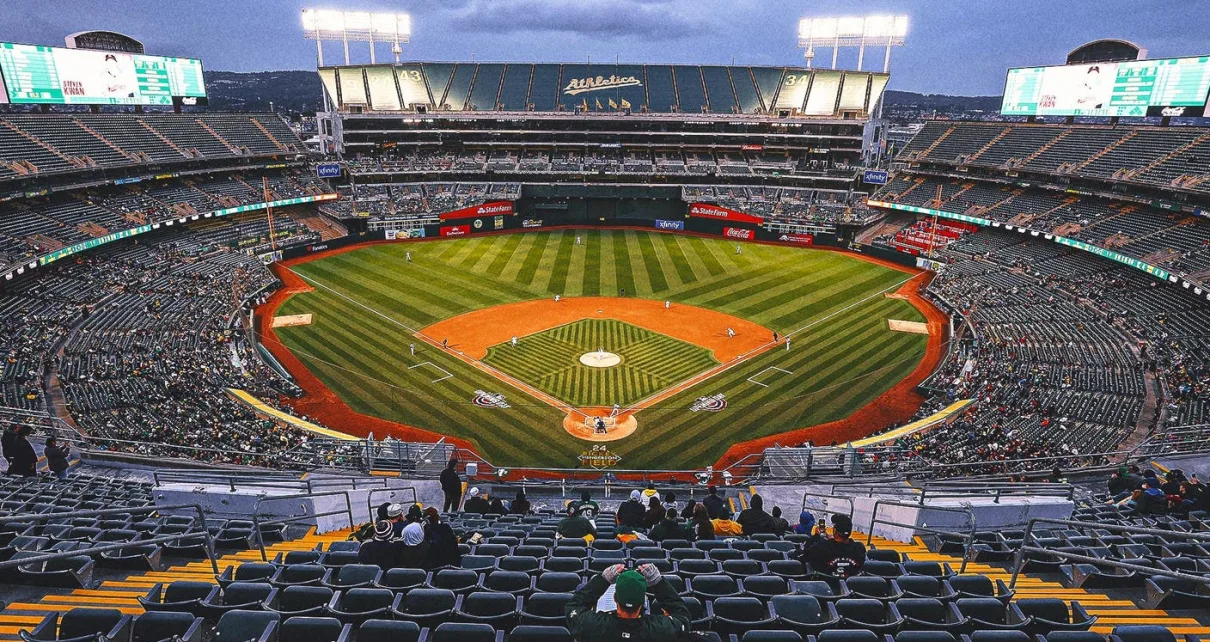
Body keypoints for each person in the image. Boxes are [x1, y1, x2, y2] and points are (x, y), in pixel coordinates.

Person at [565, 563, 690, 641]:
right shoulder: (661, 629)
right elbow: (682, 615)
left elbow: (574, 606)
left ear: (615, 598)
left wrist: (603, 580)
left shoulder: (593, 625)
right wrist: (658, 582)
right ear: (643, 602)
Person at [797, 514, 866, 578]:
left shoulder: (821, 548)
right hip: (850, 587)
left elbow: (805, 553)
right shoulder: (859, 548)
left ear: (835, 531)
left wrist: (816, 536)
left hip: (826, 586)